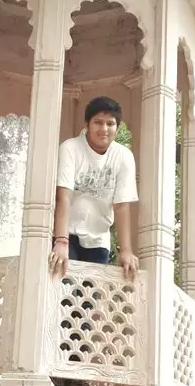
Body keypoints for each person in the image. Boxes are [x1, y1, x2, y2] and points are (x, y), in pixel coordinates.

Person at [49, 95, 139, 280]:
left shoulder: (124, 157)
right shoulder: (71, 148)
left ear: (117, 127)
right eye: (98, 122)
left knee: (89, 303)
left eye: (110, 123)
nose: (104, 129)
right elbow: (63, 196)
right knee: (62, 293)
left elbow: (121, 206)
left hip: (98, 240)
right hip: (67, 236)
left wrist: (126, 251)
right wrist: (61, 241)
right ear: (87, 124)